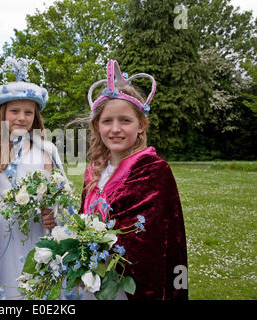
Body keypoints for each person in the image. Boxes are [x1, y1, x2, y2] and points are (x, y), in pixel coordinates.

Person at [79, 60, 188, 300]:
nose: (115, 129)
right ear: (97, 126)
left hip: (128, 285)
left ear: (141, 125)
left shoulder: (154, 170)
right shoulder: (94, 171)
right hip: (91, 277)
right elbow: (82, 218)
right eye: (107, 121)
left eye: (125, 121)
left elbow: (150, 241)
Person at [0, 57, 66, 300]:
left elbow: (60, 195)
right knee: (2, 286)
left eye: (28, 112)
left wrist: (52, 212)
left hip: (33, 233)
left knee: (32, 289)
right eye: (14, 111)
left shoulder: (46, 150)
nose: (21, 118)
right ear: (1, 113)